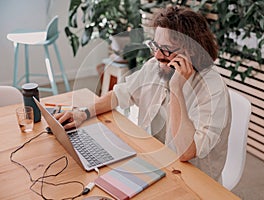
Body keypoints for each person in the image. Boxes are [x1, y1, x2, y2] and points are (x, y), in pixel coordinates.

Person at [55, 6, 231, 183]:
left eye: (166, 49)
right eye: (155, 46)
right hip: (153, 161)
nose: (157, 55)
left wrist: (176, 88)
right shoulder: (156, 65)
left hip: (195, 180)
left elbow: (186, 152)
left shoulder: (212, 89)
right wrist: (83, 113)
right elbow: (120, 94)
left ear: (191, 50)